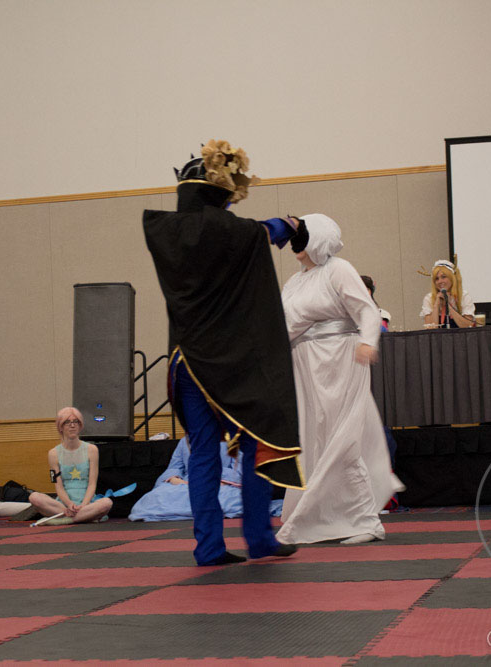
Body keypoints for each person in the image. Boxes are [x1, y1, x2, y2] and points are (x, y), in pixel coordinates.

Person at [143, 139, 303, 566]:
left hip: (185, 363)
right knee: (255, 441)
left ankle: (209, 547)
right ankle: (259, 538)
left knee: (202, 453)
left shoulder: (163, 231)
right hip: (232, 365)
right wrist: (291, 223)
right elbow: (270, 230)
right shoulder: (234, 232)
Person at [276, 214, 404, 545]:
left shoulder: (339, 269)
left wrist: (368, 341)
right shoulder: (294, 282)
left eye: (302, 236)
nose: (294, 244)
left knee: (342, 438)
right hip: (306, 364)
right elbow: (284, 325)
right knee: (317, 439)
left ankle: (368, 521)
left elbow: (366, 310)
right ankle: (327, 517)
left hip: (339, 359)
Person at [128, 437, 243, 521]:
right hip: (187, 482)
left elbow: (238, 468)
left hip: (219, 481)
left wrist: (219, 480)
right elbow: (175, 466)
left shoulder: (232, 439)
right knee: (156, 495)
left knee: (229, 496)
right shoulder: (185, 441)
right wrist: (174, 479)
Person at [30, 407, 113, 525]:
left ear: (80, 425)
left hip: (87, 503)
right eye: (67, 422)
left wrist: (84, 505)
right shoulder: (53, 454)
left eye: (76, 421)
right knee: (34, 497)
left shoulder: (92, 450)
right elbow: (58, 487)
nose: (72, 425)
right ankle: (84, 517)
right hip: (63, 506)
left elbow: (92, 484)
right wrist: (69, 504)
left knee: (107, 503)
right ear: (60, 427)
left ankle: (66, 520)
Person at [421, 259, 475, 328]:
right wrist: (437, 304)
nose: (440, 281)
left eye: (443, 277)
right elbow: (430, 329)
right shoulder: (429, 298)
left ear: (452, 278)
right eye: (437, 279)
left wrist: (448, 306)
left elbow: (468, 326)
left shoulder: (464, 296)